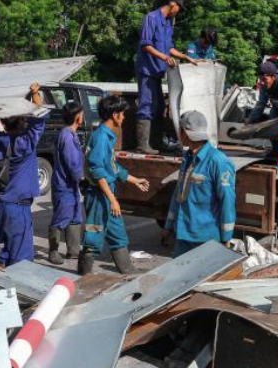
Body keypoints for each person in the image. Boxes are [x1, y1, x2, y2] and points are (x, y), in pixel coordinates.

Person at [82, 94, 150, 274]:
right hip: (99, 196)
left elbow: (112, 167)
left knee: (118, 235)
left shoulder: (106, 136)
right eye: (123, 113)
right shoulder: (102, 138)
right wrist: (112, 199)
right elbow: (98, 172)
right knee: (94, 236)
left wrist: (135, 180)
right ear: (115, 115)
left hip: (106, 194)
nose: (124, 117)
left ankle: (128, 271)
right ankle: (83, 276)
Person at [0, 82, 45, 265]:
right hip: (18, 209)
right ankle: (15, 291)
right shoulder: (25, 143)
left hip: (2, 206)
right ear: (22, 121)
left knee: (2, 255)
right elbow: (38, 118)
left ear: (2, 122)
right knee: (21, 260)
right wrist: (35, 93)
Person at [162, 111, 236, 257]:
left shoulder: (217, 161)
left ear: (184, 133)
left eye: (180, 131)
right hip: (182, 236)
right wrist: (168, 226)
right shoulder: (187, 158)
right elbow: (179, 194)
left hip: (206, 238)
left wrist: (226, 237)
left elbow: (227, 200)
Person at [135, 0, 198, 154]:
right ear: (172, 3)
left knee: (159, 107)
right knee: (147, 105)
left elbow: (170, 48)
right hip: (147, 70)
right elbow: (146, 45)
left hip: (158, 71)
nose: (178, 11)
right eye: (179, 8)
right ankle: (142, 144)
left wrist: (186, 57)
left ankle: (156, 143)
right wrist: (165, 58)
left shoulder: (168, 23)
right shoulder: (151, 18)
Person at [49, 101, 85, 266]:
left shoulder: (70, 134)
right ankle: (53, 250)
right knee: (62, 217)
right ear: (78, 117)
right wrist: (83, 178)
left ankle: (73, 251)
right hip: (65, 185)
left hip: (70, 186)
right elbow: (73, 164)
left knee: (75, 217)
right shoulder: (67, 137)